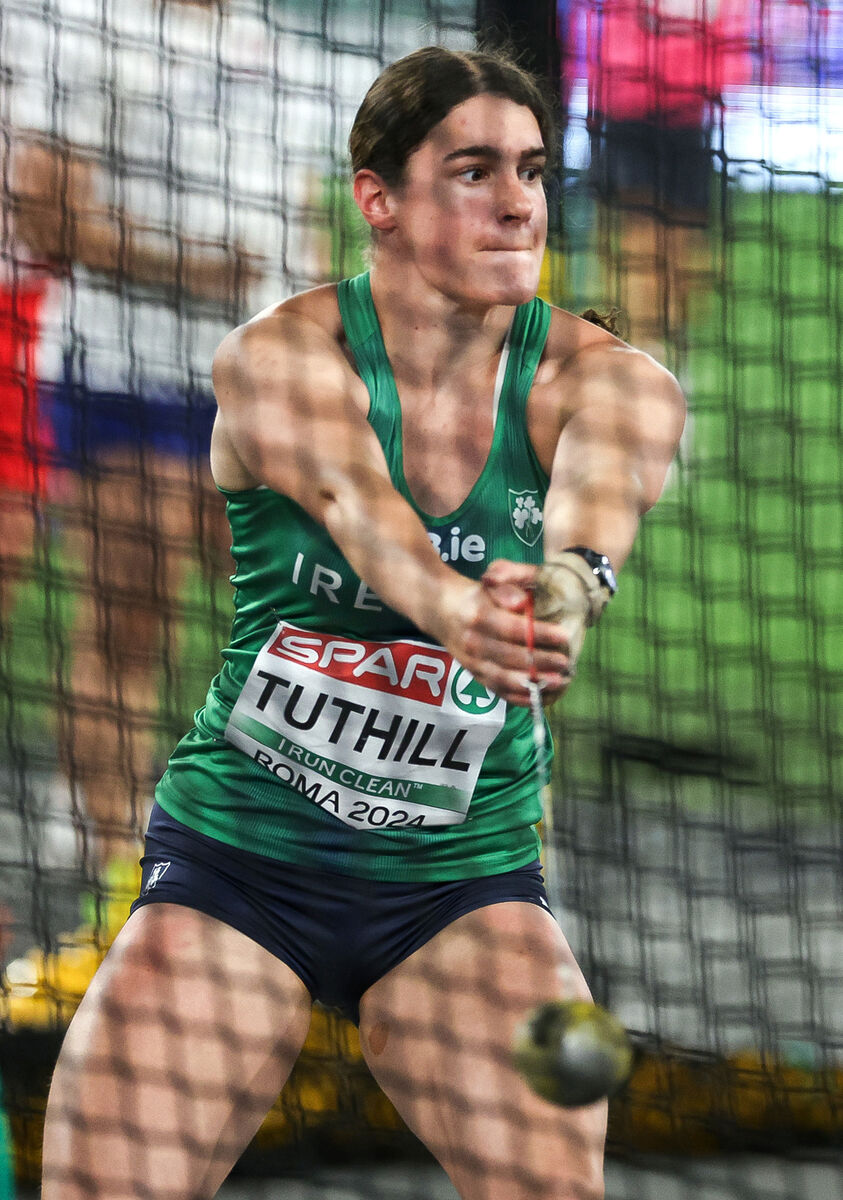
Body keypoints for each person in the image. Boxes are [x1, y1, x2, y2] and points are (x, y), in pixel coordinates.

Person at [40, 45, 685, 1200]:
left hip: (461, 888)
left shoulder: (610, 380)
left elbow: (597, 509)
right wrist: (455, 609)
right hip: (239, 870)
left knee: (560, 1177)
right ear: (378, 199)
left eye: (532, 171)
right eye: (474, 170)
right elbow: (355, 506)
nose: (516, 203)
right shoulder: (280, 357)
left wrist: (568, 589)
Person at [4, 0, 283, 913]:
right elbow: (46, 217)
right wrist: (193, 270)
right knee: (130, 619)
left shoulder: (260, 39)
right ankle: (111, 866)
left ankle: (226, 836)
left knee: (282, 613)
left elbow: (285, 226)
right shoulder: (93, 27)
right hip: (119, 374)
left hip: (240, 380)